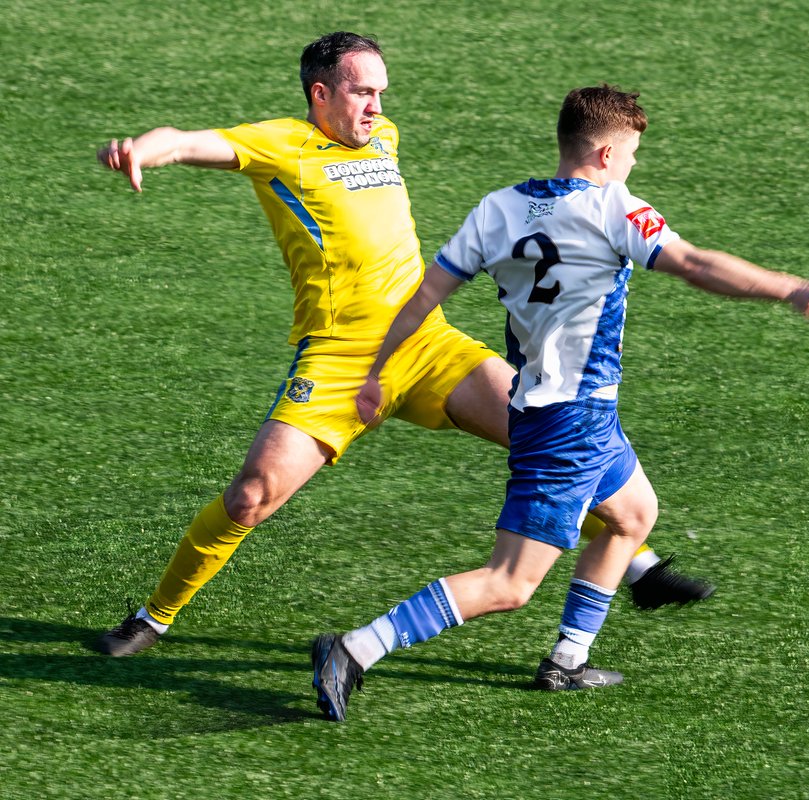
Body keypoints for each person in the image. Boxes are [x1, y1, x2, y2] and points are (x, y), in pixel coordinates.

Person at [93, 33, 714, 659]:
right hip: (339, 360)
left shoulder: (382, 136)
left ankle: (638, 563)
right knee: (252, 496)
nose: (377, 106)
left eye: (381, 92)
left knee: (548, 437)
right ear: (320, 93)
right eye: (363, 92)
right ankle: (154, 617)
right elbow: (187, 140)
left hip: (427, 346)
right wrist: (141, 149)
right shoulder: (281, 144)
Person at [309, 84, 809, 721]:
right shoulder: (614, 208)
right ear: (603, 153)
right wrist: (790, 289)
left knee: (632, 515)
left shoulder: (497, 209)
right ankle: (354, 649)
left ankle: (567, 662)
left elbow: (424, 297)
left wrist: (374, 372)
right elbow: (696, 265)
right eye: (632, 153)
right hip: (571, 423)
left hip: (541, 404)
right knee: (509, 584)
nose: (634, 165)